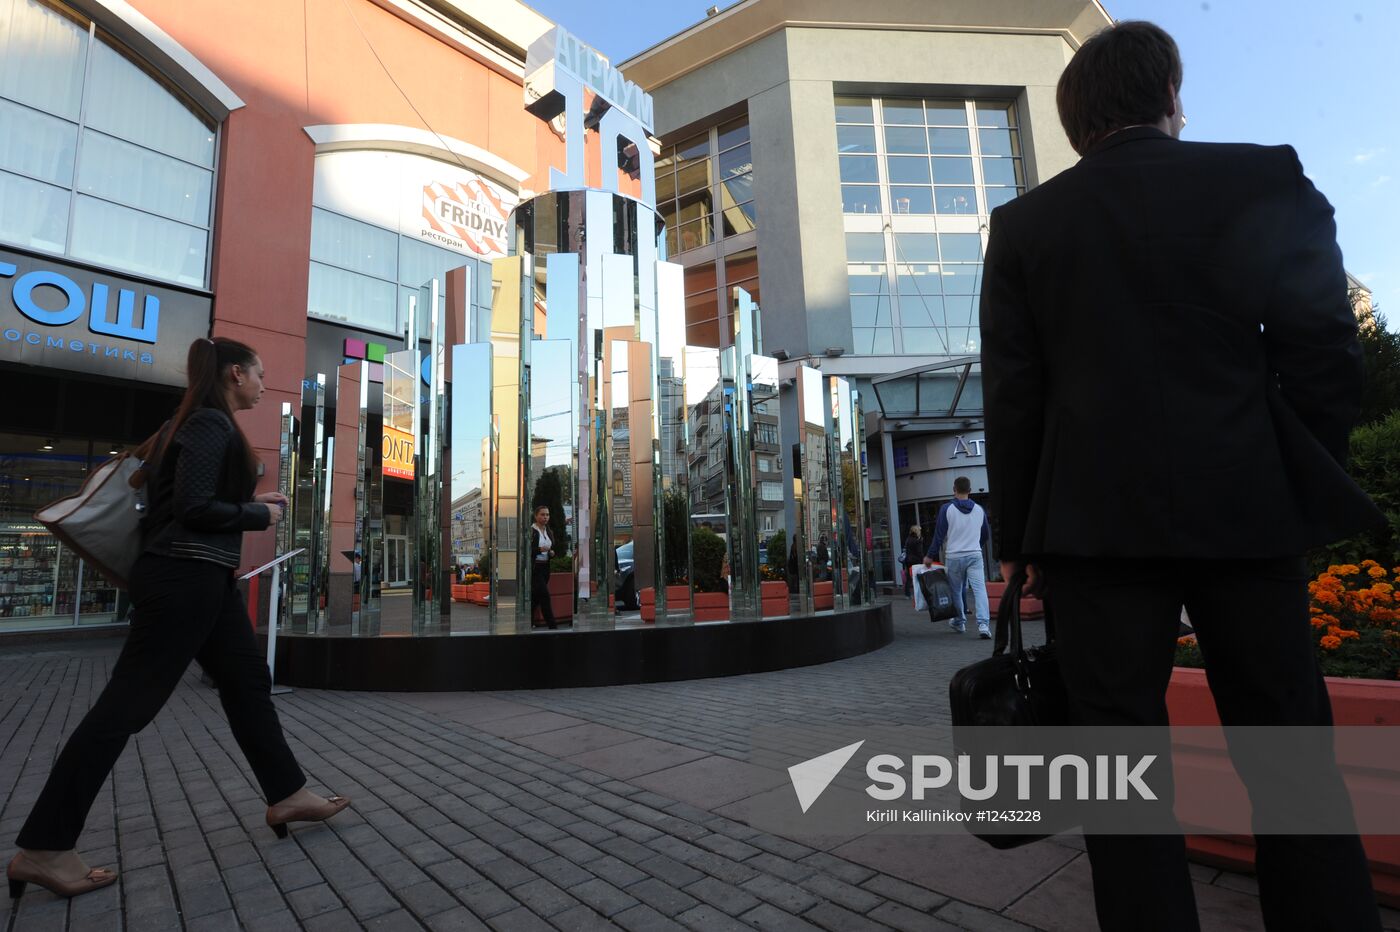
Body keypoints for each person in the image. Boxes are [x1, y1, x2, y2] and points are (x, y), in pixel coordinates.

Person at [980, 21, 1383, 931]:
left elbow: (1016, 401)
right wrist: (1294, 470)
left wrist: (1019, 543)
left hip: (1090, 529)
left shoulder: (1024, 227)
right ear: (1169, 94)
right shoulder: (1260, 176)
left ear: (1077, 124)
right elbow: (1324, 350)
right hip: (1247, 506)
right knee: (1288, 754)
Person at [7, 337, 349, 901]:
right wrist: (255, 512)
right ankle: (44, 846)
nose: (264, 385)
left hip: (201, 580)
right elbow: (192, 510)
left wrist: (250, 499)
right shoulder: (210, 423)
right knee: (126, 708)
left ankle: (286, 792)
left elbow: (185, 501)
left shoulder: (195, 422)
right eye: (259, 375)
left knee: (246, 684)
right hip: (183, 579)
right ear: (235, 374)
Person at [929, 477, 992, 638]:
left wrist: (930, 555)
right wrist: (975, 544)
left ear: (954, 490)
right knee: (979, 590)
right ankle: (984, 625)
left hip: (954, 556)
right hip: (974, 555)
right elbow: (985, 533)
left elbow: (939, 535)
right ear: (970, 491)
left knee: (956, 591)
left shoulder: (946, 509)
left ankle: (959, 621)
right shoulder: (979, 509)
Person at [528, 504, 558, 629]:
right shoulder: (531, 531)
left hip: (545, 568)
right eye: (542, 514)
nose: (545, 517)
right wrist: (540, 549)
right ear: (536, 516)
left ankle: (527, 621)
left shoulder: (548, 531)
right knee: (544, 595)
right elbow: (527, 551)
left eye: (547, 515)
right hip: (535, 568)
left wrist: (551, 553)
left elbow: (552, 548)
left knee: (536, 598)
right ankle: (552, 625)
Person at [901, 525, 926, 597]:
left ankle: (907, 594)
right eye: (919, 530)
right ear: (917, 531)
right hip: (916, 560)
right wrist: (922, 560)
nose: (920, 532)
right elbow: (919, 552)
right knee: (919, 577)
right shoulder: (917, 540)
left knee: (909, 577)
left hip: (908, 560)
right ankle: (920, 593)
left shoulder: (908, 539)